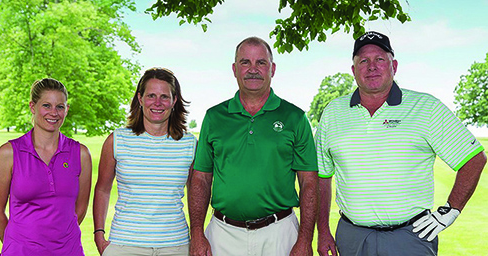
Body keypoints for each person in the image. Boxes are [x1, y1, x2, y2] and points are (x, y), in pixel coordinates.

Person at [316, 31, 487, 256]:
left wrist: (450, 211)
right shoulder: (333, 113)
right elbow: (322, 176)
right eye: (363, 61)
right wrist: (323, 231)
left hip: (410, 237)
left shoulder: (425, 107)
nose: (371, 66)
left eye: (379, 59)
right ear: (354, 70)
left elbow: (473, 159)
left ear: (393, 66)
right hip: (351, 237)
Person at [189, 36, 318, 256]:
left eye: (261, 62)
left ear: (272, 68)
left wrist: (305, 239)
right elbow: (201, 179)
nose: (253, 69)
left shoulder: (295, 117)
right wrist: (198, 234)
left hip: (280, 234)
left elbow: (309, 182)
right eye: (245, 62)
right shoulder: (214, 117)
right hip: (223, 234)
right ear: (234, 69)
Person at [93, 67, 196, 256]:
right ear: (140, 99)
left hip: (176, 245)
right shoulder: (117, 140)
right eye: (151, 96)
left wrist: (197, 236)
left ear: (174, 101)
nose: (157, 103)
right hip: (125, 244)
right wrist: (99, 235)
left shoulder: (189, 144)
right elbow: (102, 189)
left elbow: (196, 193)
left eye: (164, 96)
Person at [0, 78, 92, 255]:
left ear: (66, 110)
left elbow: (80, 210)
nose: (54, 113)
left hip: (68, 251)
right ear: (32, 107)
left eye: (60, 106)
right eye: (46, 105)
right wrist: (14, 244)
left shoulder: (81, 154)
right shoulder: (9, 153)